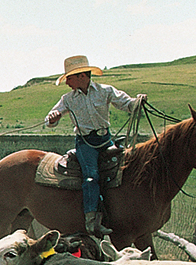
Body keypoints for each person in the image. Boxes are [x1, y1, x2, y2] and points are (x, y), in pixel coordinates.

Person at [45, 55, 145, 237]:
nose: (67, 82)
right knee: (91, 176)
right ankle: (92, 221)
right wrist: (53, 118)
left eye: (70, 77)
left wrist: (137, 102)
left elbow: (127, 104)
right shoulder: (68, 99)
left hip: (105, 139)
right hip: (86, 143)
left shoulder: (105, 91)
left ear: (82, 76)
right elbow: (51, 117)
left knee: (122, 172)